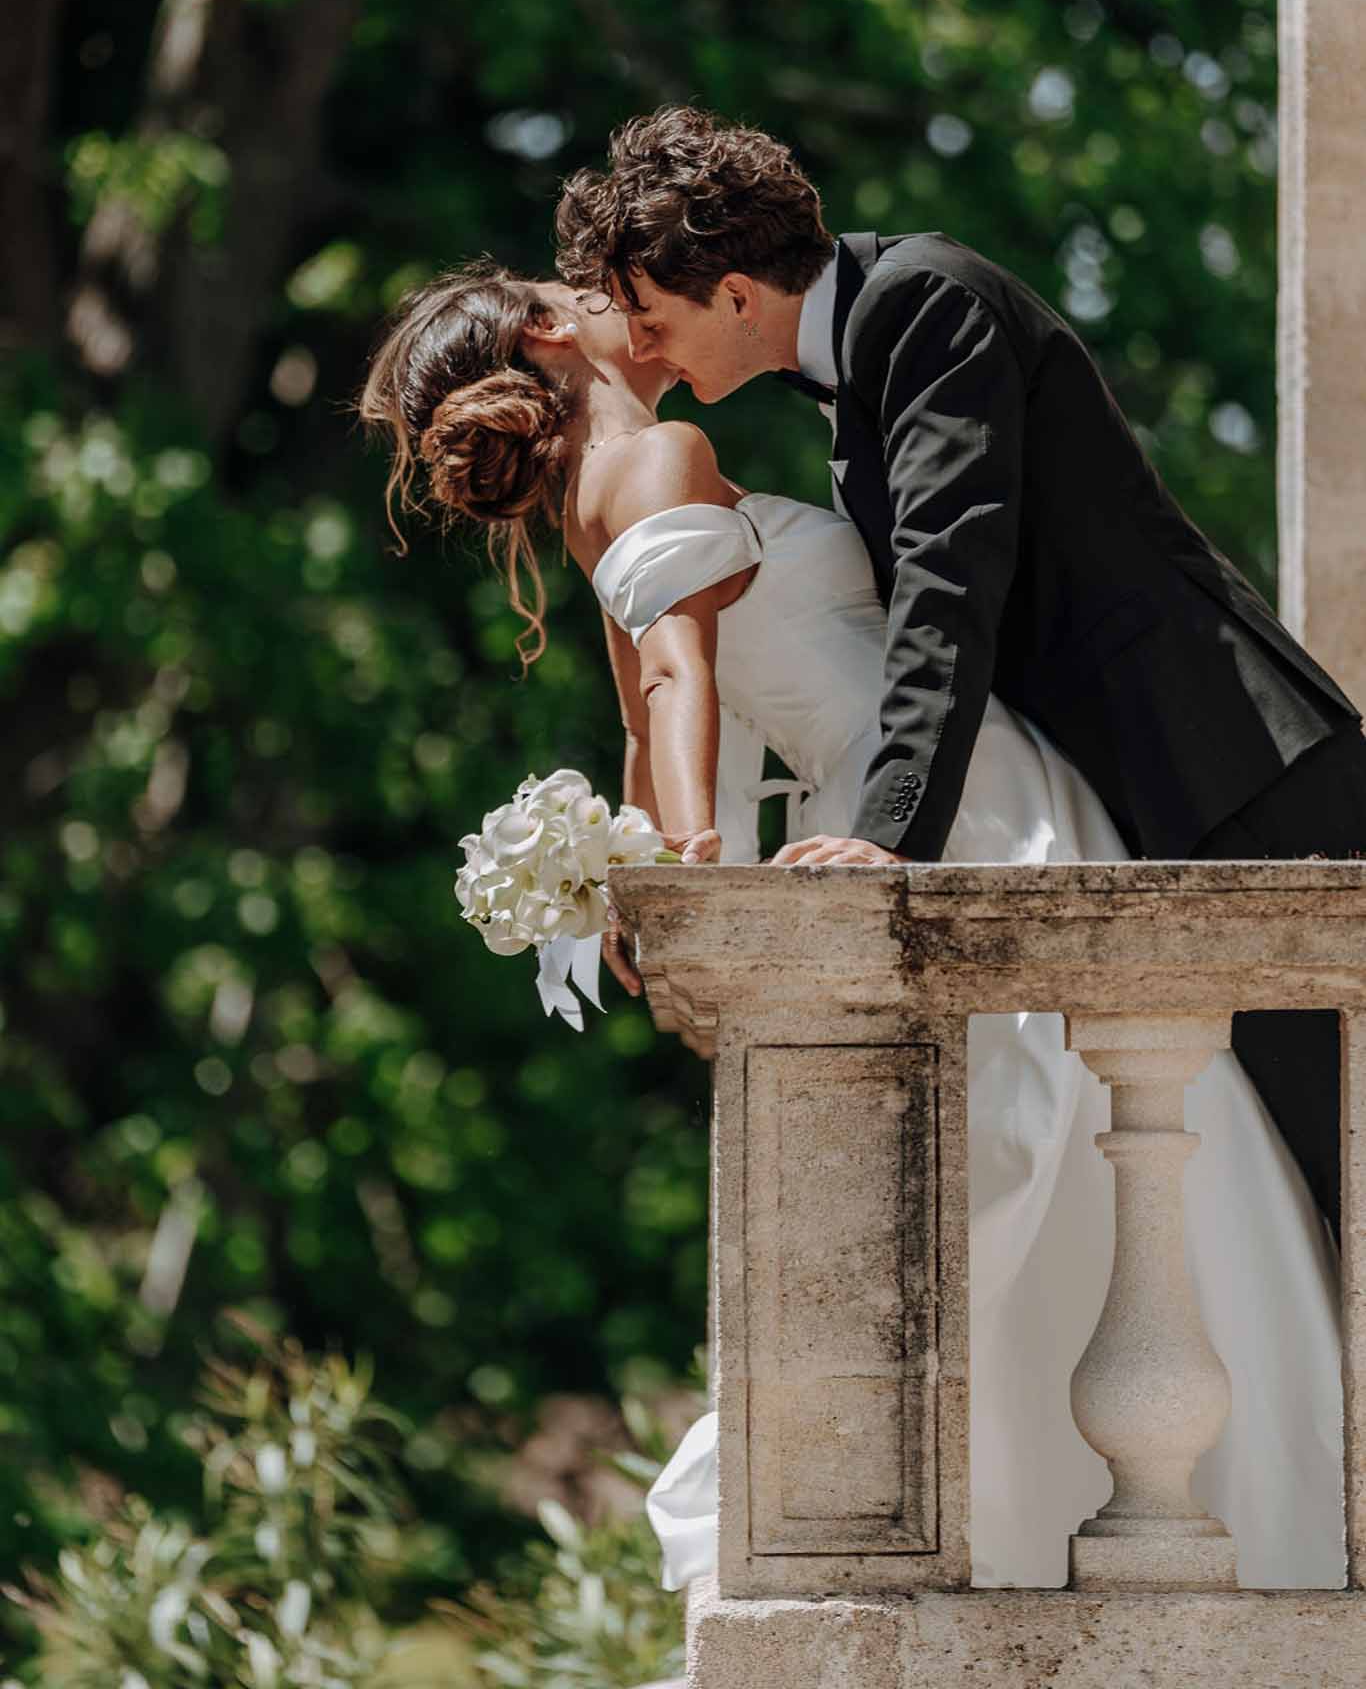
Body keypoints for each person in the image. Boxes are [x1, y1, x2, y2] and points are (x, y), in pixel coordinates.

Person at [356, 261, 1344, 1588]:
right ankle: (800, 1447)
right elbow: (675, 684)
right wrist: (689, 855)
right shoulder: (666, 451)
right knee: (1007, 1147)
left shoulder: (595, 514)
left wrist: (639, 864)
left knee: (1030, 1148)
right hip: (959, 801)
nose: (613, 302)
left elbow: (642, 723)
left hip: (875, 802)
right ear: (544, 331)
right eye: (576, 290)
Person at [553, 105, 1366, 1247]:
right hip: (1145, 782)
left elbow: (949, 578)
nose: (642, 349)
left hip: (1227, 765)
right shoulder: (845, 351)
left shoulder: (927, 302)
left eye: (652, 316)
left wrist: (889, 838)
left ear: (736, 292)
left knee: (1342, 1158)